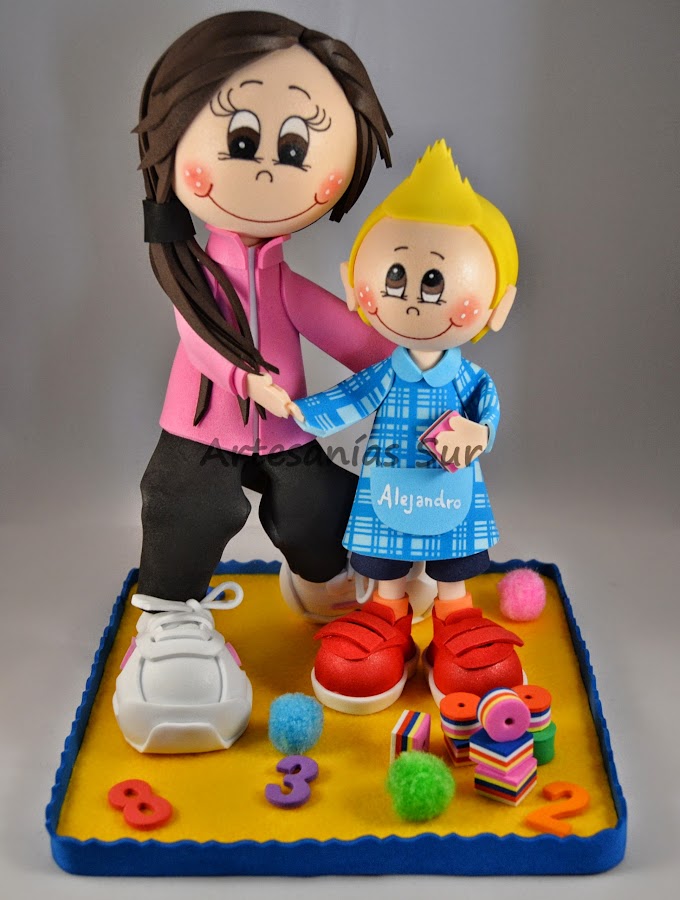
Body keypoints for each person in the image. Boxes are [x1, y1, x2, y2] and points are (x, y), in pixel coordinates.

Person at [114, 11, 398, 754]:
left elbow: (344, 332)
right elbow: (200, 341)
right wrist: (248, 379)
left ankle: (324, 584)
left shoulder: (283, 282)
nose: (269, 169)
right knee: (183, 507)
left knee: (317, 507)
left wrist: (411, 361)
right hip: (200, 429)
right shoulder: (193, 278)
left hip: (286, 429)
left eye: (296, 149)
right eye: (242, 143)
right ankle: (171, 614)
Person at [293, 141, 524, 714]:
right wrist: (295, 410)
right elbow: (349, 398)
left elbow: (488, 409)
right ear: (355, 283)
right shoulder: (386, 374)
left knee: (454, 558)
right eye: (395, 273)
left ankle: (455, 614)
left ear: (498, 305)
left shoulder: (468, 378)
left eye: (437, 280)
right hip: (388, 489)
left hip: (450, 489)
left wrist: (478, 434)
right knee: (384, 561)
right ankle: (387, 611)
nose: (416, 297)